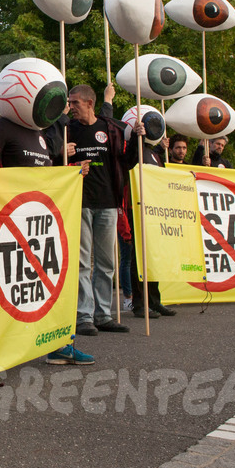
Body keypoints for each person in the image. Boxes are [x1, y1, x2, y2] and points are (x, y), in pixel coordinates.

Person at [0, 115, 96, 366]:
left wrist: (71, 172)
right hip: (7, 225)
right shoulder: (1, 126)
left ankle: (59, 344)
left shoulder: (40, 131)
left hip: (39, 225)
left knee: (49, 285)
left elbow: (43, 176)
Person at [66, 83, 132, 335]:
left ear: (89, 103)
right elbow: (53, 159)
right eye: (69, 102)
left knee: (107, 263)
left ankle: (103, 315)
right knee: (83, 263)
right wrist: (65, 157)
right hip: (80, 202)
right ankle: (84, 316)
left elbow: (126, 162)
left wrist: (137, 139)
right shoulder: (67, 129)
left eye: (74, 102)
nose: (70, 107)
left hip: (108, 203)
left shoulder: (110, 128)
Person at [124, 130, 176, 318]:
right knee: (138, 257)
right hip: (137, 207)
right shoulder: (134, 151)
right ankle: (139, 303)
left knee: (153, 255)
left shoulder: (153, 154)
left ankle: (154, 300)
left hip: (154, 209)